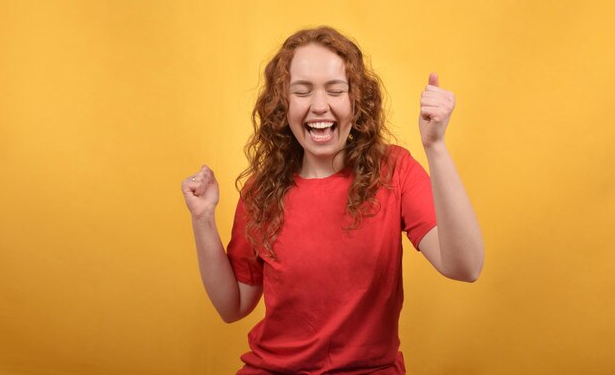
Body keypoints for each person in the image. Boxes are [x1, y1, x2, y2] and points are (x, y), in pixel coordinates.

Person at [181, 26, 484, 375]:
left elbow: (466, 266)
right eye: (303, 91)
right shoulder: (261, 191)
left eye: (335, 90)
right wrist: (202, 219)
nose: (320, 105)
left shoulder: (394, 171)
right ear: (283, 104)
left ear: (357, 102)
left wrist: (436, 147)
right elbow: (232, 306)